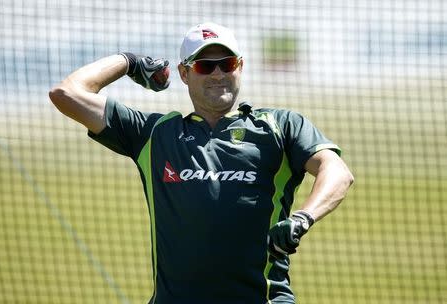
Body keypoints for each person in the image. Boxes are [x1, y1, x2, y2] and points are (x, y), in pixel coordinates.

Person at [49, 22, 354, 304]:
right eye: (206, 66)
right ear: (184, 73)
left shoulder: (280, 126)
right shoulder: (155, 134)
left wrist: (303, 218)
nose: (218, 73)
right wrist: (129, 62)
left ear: (241, 67)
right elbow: (66, 93)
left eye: (228, 63)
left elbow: (337, 171)